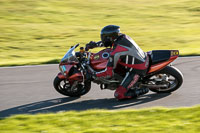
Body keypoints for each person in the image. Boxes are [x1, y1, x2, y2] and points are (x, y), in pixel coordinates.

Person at [86, 25, 149, 100]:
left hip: (137, 69)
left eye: (104, 37)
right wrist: (95, 45)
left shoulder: (116, 52)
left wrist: (94, 75)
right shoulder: (122, 37)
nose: (103, 39)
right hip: (138, 59)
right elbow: (108, 43)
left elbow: (108, 73)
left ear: (111, 37)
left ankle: (142, 90)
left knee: (119, 95)